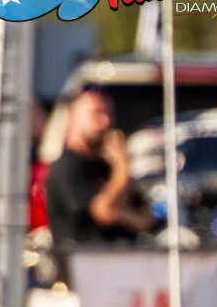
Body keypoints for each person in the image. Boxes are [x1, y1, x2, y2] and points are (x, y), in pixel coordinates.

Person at [45, 89, 155, 247]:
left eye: (109, 114)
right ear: (73, 118)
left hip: (123, 253)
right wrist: (121, 169)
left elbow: (145, 219)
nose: (106, 122)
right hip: (83, 255)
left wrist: (120, 213)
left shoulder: (109, 164)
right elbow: (102, 211)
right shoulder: (66, 167)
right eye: (96, 114)